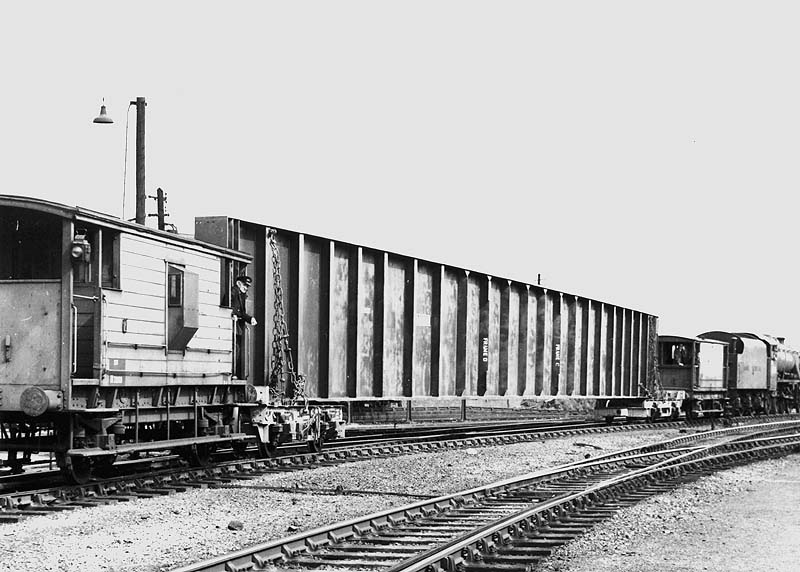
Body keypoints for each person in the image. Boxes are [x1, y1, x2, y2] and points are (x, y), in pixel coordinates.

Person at [232, 275, 257, 378]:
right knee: (235, 348)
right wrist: (233, 314)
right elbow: (230, 307)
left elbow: (241, 312)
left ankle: (234, 373)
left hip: (236, 327)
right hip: (231, 326)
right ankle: (233, 372)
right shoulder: (233, 293)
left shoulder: (241, 295)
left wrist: (250, 319)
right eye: (245, 285)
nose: (246, 288)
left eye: (247, 286)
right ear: (238, 283)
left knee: (237, 348)